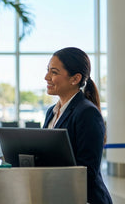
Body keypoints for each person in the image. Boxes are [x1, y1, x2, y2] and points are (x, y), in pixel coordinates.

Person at [43, 47, 112, 204]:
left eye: (54, 72)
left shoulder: (87, 113)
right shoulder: (51, 112)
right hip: (59, 195)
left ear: (75, 79)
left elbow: (87, 171)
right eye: (48, 70)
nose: (46, 77)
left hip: (85, 199)